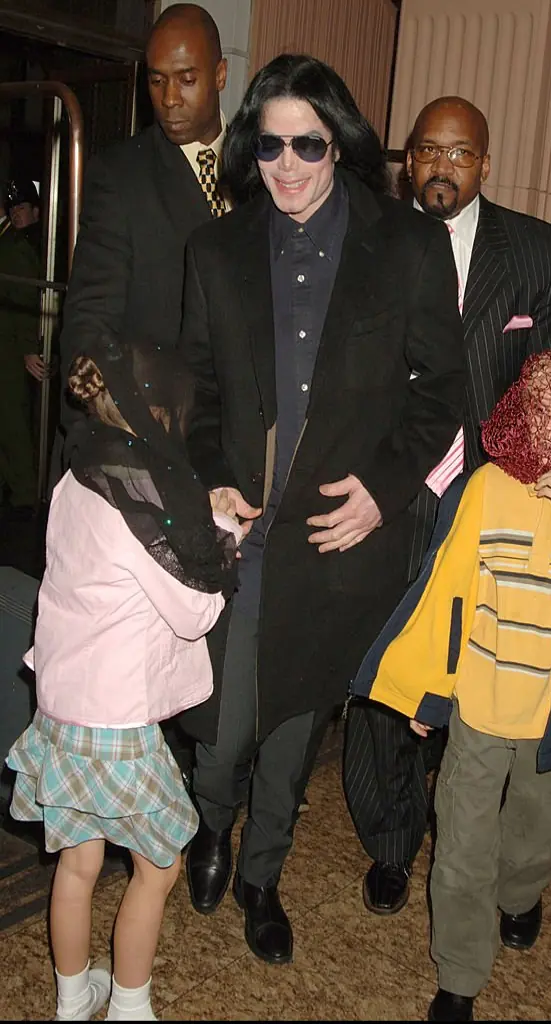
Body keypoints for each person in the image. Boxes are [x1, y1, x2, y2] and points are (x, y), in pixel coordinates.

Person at [178, 54, 465, 964]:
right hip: (242, 536)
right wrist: (205, 474)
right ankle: (209, 826)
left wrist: (386, 491)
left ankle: (263, 873)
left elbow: (441, 395)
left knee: (295, 732)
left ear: (339, 142)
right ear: (249, 149)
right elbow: (195, 395)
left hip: (338, 539)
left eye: (308, 142)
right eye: (269, 144)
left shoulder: (408, 246)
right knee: (222, 734)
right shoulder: (216, 252)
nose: (289, 163)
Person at [352, 347, 551, 1022]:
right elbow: (445, 591)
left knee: (536, 838)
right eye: (547, 410)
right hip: (480, 710)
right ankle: (460, 975)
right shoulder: (485, 489)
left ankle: (519, 896)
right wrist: (430, 690)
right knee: (461, 846)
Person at [343, 95, 551, 918]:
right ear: (408, 159)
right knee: (392, 672)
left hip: (498, 505)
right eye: (427, 151)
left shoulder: (542, 255)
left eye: (460, 152)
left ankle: (507, 871)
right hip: (393, 498)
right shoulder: (363, 239)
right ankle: (389, 840)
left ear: (486, 164)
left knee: (500, 690)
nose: (441, 165)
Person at [5, 336, 236, 1022]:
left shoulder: (79, 476)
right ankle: (132, 1007)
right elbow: (194, 610)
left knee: (77, 866)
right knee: (159, 867)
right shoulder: (137, 501)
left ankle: (74, 1000)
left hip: (60, 705)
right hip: (112, 724)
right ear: (151, 409)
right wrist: (222, 536)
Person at [58, 1, 229, 779]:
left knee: (229, 650)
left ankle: (218, 802)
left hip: (243, 442)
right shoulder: (126, 175)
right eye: (156, 82)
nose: (169, 98)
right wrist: (118, 410)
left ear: (221, 77)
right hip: (156, 445)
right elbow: (90, 317)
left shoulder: (269, 170)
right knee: (145, 654)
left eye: (187, 80)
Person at [0, 188, 41, 516]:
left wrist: (29, 350)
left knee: (13, 419)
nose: (16, 213)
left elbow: (25, 300)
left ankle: (25, 494)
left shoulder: (15, 247)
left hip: (10, 349)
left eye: (21, 207)